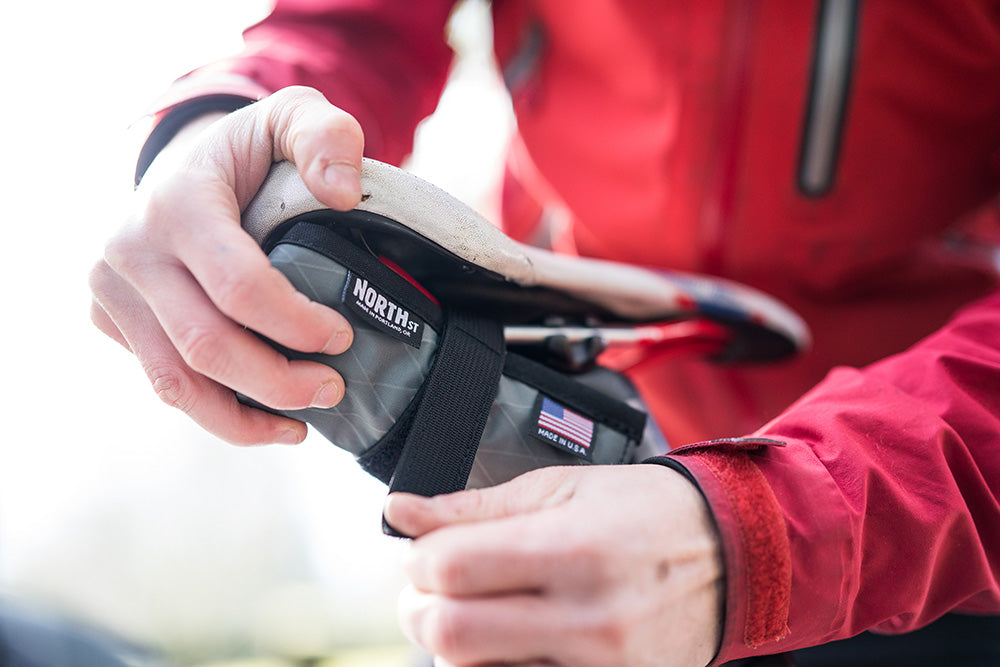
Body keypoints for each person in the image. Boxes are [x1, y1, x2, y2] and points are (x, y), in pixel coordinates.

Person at [89, 1, 1000, 665]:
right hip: (570, 415)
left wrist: (766, 529)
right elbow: (354, 25)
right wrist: (211, 128)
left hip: (924, 525)